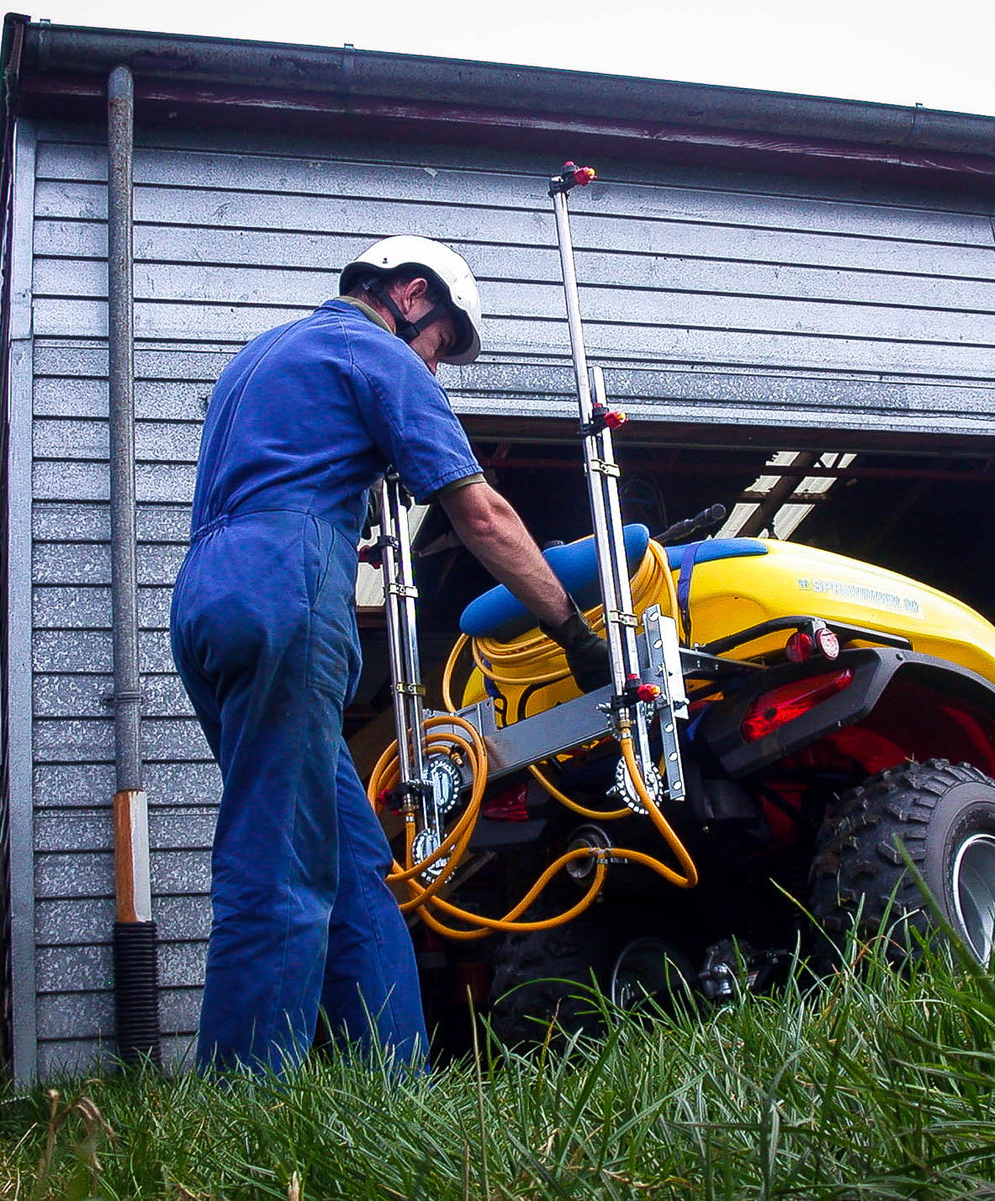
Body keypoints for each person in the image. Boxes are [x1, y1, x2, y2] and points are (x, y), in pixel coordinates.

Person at [170, 235, 609, 1072]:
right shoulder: (377, 352)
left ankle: (392, 1082)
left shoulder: (262, 356)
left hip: (205, 595)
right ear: (411, 294)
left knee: (354, 857)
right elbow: (483, 518)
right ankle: (245, 1113)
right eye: (440, 346)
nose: (434, 371)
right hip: (283, 587)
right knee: (282, 856)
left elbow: (282, 471)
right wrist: (574, 633)